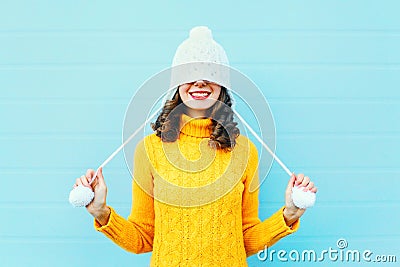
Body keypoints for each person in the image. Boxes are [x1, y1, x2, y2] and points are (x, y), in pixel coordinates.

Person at [73, 26, 317, 266]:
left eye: (210, 74)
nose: (200, 81)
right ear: (177, 84)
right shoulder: (149, 149)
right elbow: (143, 238)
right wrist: (101, 212)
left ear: (222, 84)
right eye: (190, 73)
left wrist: (289, 215)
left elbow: (245, 240)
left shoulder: (244, 151)